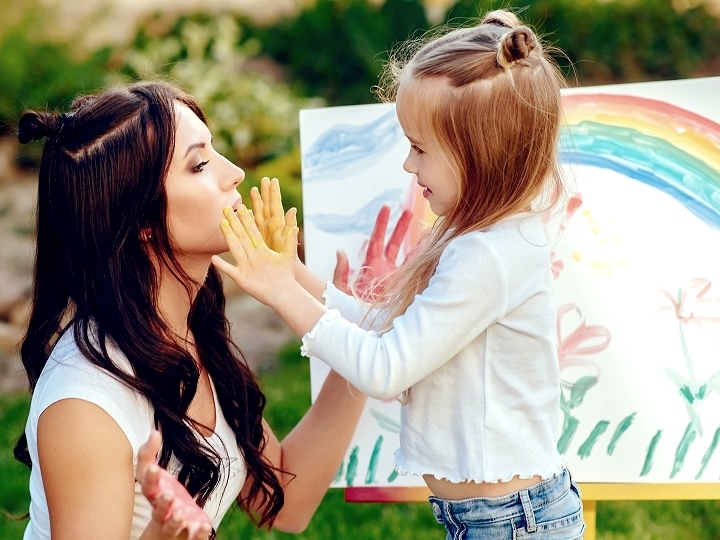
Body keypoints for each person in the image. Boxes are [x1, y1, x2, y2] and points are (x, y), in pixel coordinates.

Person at [213, 10, 585, 540]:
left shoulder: (490, 254)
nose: (408, 166)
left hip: (514, 521)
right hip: (502, 516)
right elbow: (387, 327)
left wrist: (281, 293)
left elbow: (387, 370)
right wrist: (292, 276)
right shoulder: (478, 240)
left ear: (480, 158)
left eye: (419, 149)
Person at [12, 80, 368, 540]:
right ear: (141, 221)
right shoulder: (86, 403)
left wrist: (355, 345)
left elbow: (286, 502)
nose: (235, 173)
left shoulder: (184, 329)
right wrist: (163, 532)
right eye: (199, 164)